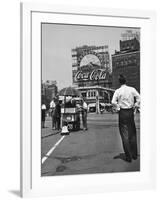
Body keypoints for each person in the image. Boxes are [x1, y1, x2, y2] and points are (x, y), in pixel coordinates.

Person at [111, 75, 140, 162]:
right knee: (132, 133)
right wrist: (136, 105)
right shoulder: (132, 89)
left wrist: (118, 107)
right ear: (125, 81)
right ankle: (134, 154)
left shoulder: (118, 91)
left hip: (122, 113)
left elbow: (113, 102)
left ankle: (128, 156)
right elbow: (139, 97)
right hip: (130, 112)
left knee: (124, 135)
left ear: (120, 82)